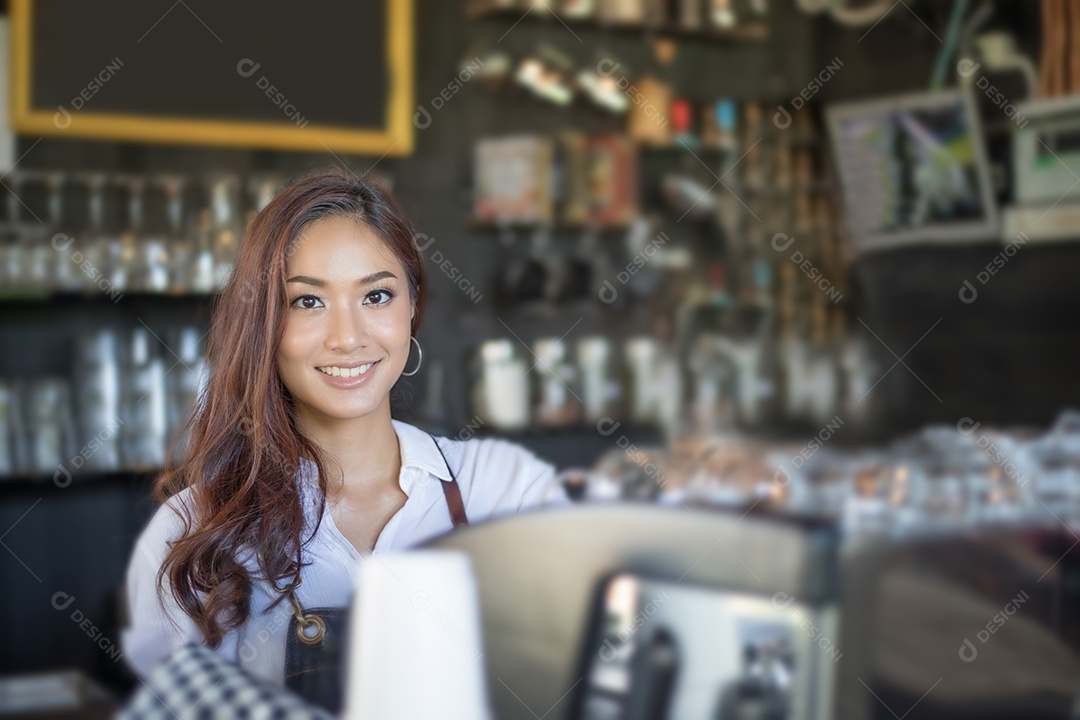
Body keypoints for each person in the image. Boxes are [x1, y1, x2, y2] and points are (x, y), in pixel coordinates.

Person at [120, 170, 568, 693]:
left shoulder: (506, 488)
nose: (348, 337)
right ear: (263, 323)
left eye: (376, 296)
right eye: (308, 301)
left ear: (412, 306)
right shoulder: (190, 534)